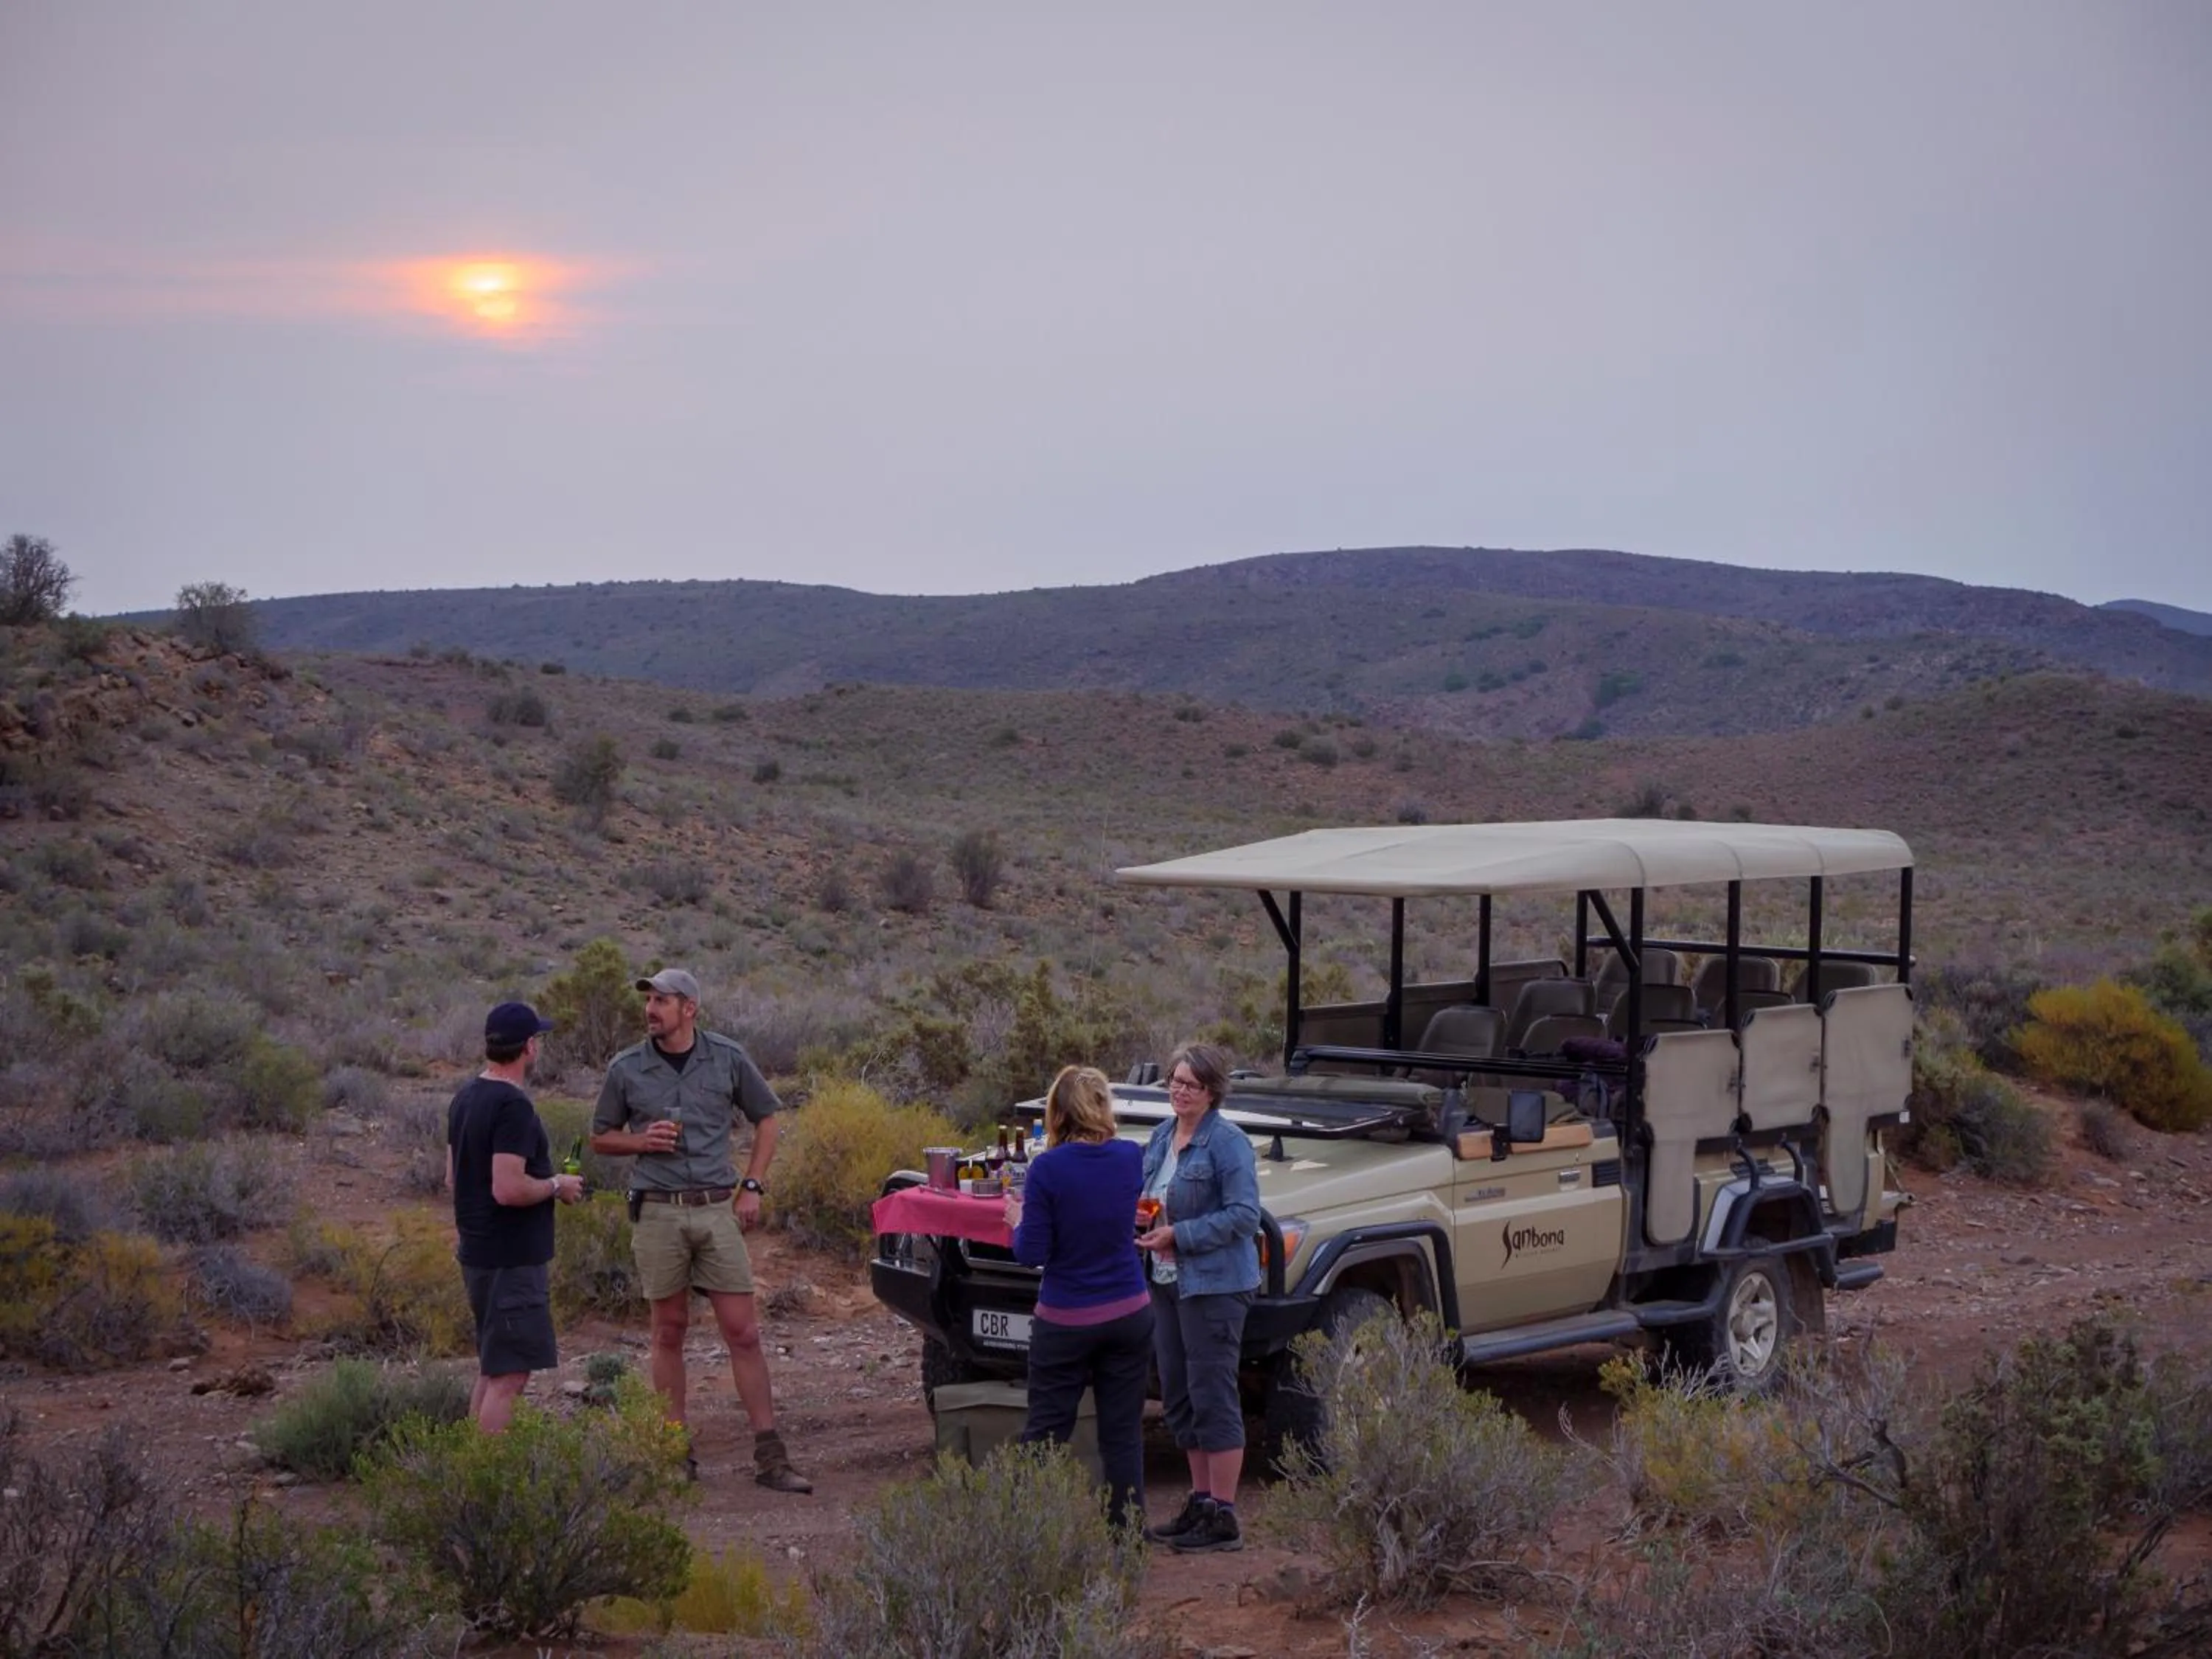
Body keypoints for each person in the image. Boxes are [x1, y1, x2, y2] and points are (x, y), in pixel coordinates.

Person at [589, 967, 811, 1492]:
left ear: (689, 1008)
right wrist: (641, 1141)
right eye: (648, 1001)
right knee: (668, 1330)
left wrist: (753, 1184)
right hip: (659, 1211)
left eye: (661, 1001)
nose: (650, 1010)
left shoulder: (727, 1057)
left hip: (717, 1210)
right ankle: (672, 1451)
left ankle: (770, 1456)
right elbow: (600, 1138)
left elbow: (768, 1119)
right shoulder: (627, 1068)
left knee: (744, 1332)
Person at [1001, 1065, 1152, 1531]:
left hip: (1067, 1318)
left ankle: (1025, 1534)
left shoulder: (1048, 1168)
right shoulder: (1130, 1157)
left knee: (1047, 1431)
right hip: (1129, 1309)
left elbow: (1032, 1253)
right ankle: (1127, 1535)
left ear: (1058, 1112)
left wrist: (1016, 1220)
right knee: (1123, 1433)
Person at [1135, 1041, 1260, 1553]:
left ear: (1211, 1092)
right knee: (1181, 1393)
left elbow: (1245, 1216)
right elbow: (1147, 1196)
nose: (1179, 1092)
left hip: (1215, 1285)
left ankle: (1225, 1515)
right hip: (1166, 1283)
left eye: (1190, 1084)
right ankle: (1202, 1501)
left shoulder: (1227, 1143)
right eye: (1174, 1081)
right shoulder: (1163, 1135)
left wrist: (1180, 1235)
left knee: (1214, 1392)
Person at [447, 1001, 585, 1433]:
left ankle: (474, 1469)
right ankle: (489, 1481)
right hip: (509, 1259)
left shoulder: (465, 1097)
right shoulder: (513, 1107)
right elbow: (507, 1188)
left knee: (493, 1368)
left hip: (478, 1252)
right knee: (510, 1376)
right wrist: (556, 1185)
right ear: (529, 1047)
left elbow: (453, 1178)